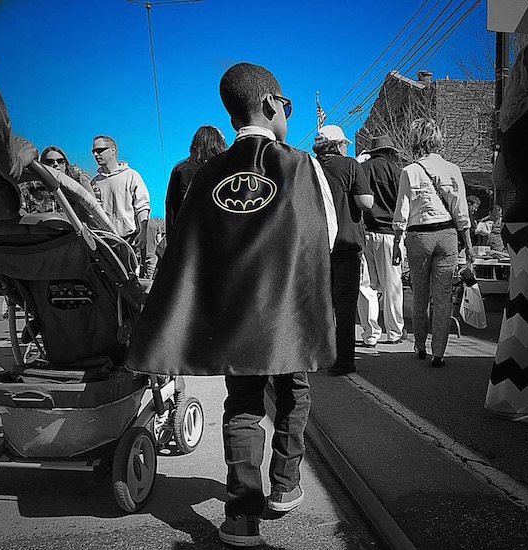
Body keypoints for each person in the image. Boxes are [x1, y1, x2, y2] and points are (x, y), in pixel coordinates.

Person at [125, 62, 337, 547]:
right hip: (288, 310)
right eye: (287, 104)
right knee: (294, 392)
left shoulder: (205, 176)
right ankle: (285, 484)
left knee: (241, 403)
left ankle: (241, 515)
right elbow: (321, 239)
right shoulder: (304, 165)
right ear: (270, 105)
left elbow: (191, 247)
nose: (288, 112)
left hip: (235, 316)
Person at [485, 39, 528, 423]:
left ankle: (509, 397)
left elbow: (501, 178)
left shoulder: (513, 123)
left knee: (521, 311)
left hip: (519, 222)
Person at [392, 118, 473, 368]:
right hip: (447, 234)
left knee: (420, 294)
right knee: (442, 296)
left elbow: (402, 210)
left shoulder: (410, 171)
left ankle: (419, 346)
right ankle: (439, 351)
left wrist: (397, 242)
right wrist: (468, 247)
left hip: (418, 235)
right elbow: (461, 211)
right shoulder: (452, 169)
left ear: (417, 141)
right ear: (437, 140)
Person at [313, 125, 373, 374]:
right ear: (337, 144)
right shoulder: (350, 165)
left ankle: (318, 355)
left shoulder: (308, 166)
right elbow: (366, 202)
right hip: (347, 242)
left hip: (316, 244)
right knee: (345, 303)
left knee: (321, 302)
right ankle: (344, 360)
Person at [359, 135, 407, 347]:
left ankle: (370, 333)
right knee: (392, 285)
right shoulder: (397, 172)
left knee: (367, 286)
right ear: (390, 152)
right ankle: (394, 331)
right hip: (390, 233)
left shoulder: (362, 169)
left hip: (365, 231)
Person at [90, 135, 150, 251]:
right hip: (105, 242)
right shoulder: (94, 183)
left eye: (100, 150)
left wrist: (143, 233)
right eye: (94, 152)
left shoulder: (131, 175)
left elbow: (142, 206)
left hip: (130, 240)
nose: (96, 155)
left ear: (113, 151)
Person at [165, 125, 227, 238]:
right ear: (218, 144)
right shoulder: (226, 169)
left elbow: (172, 211)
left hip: (188, 239)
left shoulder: (181, 170)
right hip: (221, 239)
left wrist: (173, 243)